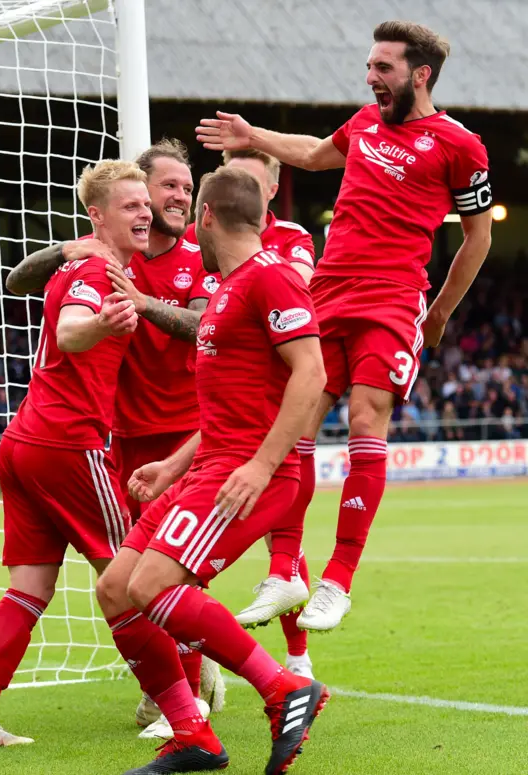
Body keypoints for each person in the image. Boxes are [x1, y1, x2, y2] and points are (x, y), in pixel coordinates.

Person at [197, 20, 492, 631]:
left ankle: (338, 580)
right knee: (294, 417)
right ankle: (285, 570)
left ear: (420, 75)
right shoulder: (363, 123)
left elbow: (479, 237)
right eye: (369, 66)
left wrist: (437, 313)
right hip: (328, 290)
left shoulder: (460, 146)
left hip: (392, 296)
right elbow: (309, 152)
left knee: (365, 416)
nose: (370, 77)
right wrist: (252, 136)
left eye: (382, 68)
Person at [96, 166, 328, 775]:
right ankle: (192, 731)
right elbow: (231, 404)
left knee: (151, 588)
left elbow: (313, 374)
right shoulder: (227, 288)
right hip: (209, 468)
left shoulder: (272, 279)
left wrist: (261, 464)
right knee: (116, 589)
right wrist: (172, 465)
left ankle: (283, 689)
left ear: (204, 216)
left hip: (249, 476)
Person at [5, 139, 225, 733]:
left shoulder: (199, 257)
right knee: (136, 569)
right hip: (119, 438)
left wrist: (142, 304)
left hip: (183, 434)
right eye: (170, 186)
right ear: (139, 194)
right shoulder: (104, 256)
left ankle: (184, 694)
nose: (181, 197)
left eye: (187, 186)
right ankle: (179, 686)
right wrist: (66, 249)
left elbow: (208, 324)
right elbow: (18, 282)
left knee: (167, 567)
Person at [0, 160, 150, 751]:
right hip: (67, 443)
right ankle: (181, 707)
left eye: (147, 203)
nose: (143, 212)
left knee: (28, 589)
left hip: (25, 442)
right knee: (135, 576)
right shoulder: (95, 267)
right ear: (97, 217)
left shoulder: (80, 262)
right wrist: (104, 323)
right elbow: (70, 331)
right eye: (130, 205)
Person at [187, 149, 318, 677]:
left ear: (267, 191)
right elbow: (199, 315)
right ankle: (207, 679)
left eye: (252, 175)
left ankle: (294, 665)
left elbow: (297, 323)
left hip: (262, 419)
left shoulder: (287, 248)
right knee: (167, 566)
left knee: (169, 569)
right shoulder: (212, 256)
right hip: (212, 414)